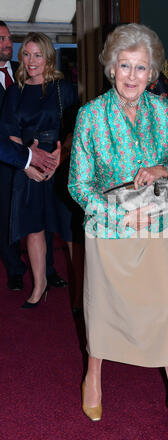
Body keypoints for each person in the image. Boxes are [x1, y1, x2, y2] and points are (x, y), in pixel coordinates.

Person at [68, 23, 168, 431]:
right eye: (124, 66)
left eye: (141, 68)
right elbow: (78, 185)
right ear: (111, 68)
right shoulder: (91, 116)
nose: (132, 76)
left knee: (167, 309)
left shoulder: (164, 111)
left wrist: (161, 168)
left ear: (152, 73)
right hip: (108, 228)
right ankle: (93, 378)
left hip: (152, 226)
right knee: (103, 309)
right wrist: (120, 216)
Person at [1, 31, 81, 308]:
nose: (31, 60)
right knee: (33, 229)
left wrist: (61, 156)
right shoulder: (15, 91)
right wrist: (26, 165)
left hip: (60, 163)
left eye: (38, 54)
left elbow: (75, 129)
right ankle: (39, 285)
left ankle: (82, 290)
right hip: (28, 164)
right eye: (26, 54)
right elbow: (9, 132)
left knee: (69, 229)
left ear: (49, 57)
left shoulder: (64, 89)